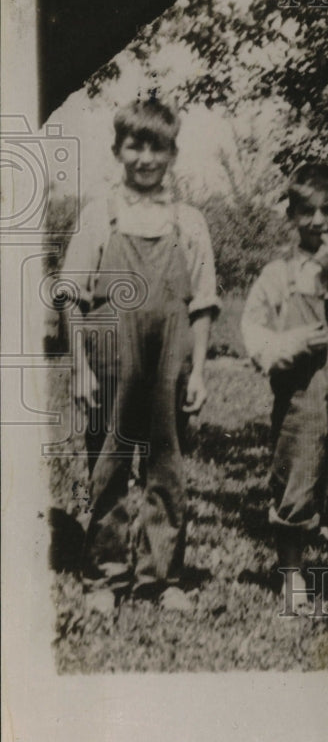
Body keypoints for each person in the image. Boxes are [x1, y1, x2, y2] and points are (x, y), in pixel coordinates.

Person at [61, 96, 220, 615]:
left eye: (158, 147)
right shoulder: (99, 216)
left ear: (173, 152)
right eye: (136, 146)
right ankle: (105, 576)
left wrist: (197, 372)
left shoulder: (188, 222)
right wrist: (80, 368)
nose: (146, 158)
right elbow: (72, 298)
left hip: (168, 363)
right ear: (118, 149)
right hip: (109, 362)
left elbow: (203, 303)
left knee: (165, 467)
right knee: (107, 464)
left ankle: (163, 576)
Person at [241, 162, 328, 616]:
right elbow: (253, 332)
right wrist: (289, 343)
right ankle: (293, 578)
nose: (318, 221)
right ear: (290, 216)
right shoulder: (277, 274)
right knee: (294, 481)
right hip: (300, 398)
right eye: (306, 211)